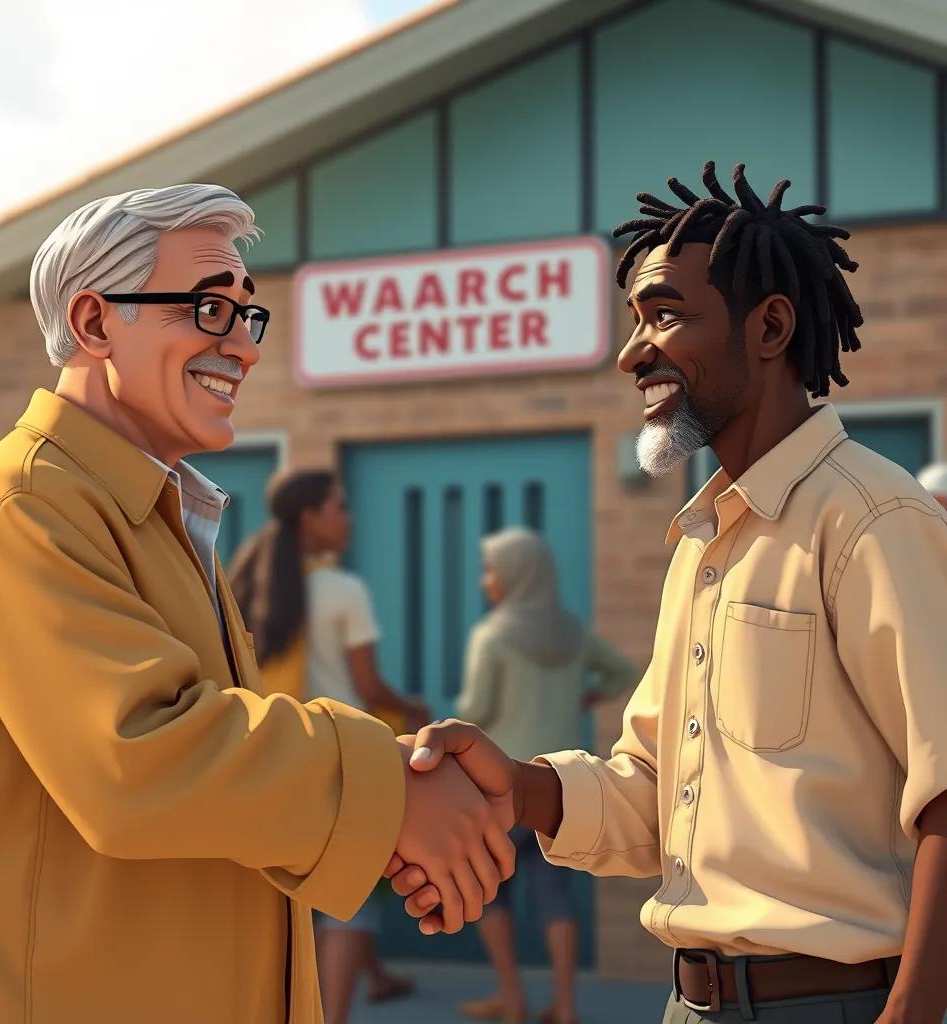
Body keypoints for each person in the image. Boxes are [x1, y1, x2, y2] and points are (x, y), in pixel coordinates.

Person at [0, 184, 514, 1023]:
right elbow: (141, 758)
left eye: (248, 314)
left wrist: (388, 813)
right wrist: (393, 791)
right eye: (207, 309)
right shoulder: (26, 507)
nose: (243, 346)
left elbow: (220, 771)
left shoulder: (149, 515)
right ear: (95, 325)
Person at [388, 162, 947, 1024]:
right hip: (691, 1005)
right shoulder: (700, 543)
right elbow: (653, 792)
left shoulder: (874, 519)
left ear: (769, 326)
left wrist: (916, 1007)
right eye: (636, 320)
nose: (630, 353)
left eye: (665, 315)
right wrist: (517, 789)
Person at [229, 468, 430, 1023]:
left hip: (275, 758)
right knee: (354, 901)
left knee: (294, 896)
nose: (349, 516)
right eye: (340, 506)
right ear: (310, 517)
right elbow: (367, 688)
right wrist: (412, 709)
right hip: (344, 761)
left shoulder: (250, 580)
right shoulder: (345, 590)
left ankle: (376, 977)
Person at [454, 527, 638, 1024]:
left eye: (491, 569)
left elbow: (474, 710)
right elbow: (624, 672)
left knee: (491, 892)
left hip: (497, 787)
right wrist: (583, 700)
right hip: (557, 787)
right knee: (555, 897)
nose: (485, 580)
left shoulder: (491, 636)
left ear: (516, 574)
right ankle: (567, 1006)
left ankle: (512, 1001)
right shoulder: (571, 633)